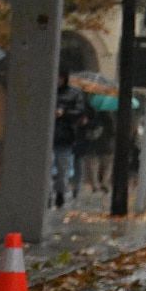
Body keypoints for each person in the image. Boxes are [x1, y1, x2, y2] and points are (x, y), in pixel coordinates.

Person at [51, 73, 88, 207]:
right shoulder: (49, 91)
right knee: (48, 167)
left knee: (62, 168)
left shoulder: (74, 94)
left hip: (65, 137)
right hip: (49, 137)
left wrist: (64, 112)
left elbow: (79, 111)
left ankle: (60, 193)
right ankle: (48, 195)